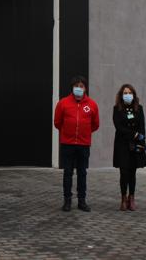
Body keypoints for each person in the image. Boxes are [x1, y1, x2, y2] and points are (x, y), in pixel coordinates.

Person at [54, 75, 100, 212]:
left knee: (82, 173)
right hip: (67, 143)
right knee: (67, 172)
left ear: (85, 88)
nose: (79, 89)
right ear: (72, 88)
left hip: (83, 144)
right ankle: (67, 201)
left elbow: (95, 124)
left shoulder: (92, 104)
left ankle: (82, 201)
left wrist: (84, 133)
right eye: (76, 86)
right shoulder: (63, 103)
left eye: (81, 86)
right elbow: (57, 122)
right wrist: (67, 132)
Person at [112, 84, 146, 211]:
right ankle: (123, 198)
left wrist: (141, 138)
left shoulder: (139, 108)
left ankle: (131, 198)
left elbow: (142, 125)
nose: (127, 95)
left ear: (134, 94)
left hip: (136, 144)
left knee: (132, 172)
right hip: (122, 144)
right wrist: (134, 134)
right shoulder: (117, 109)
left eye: (130, 92)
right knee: (124, 172)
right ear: (121, 95)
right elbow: (119, 127)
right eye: (125, 93)